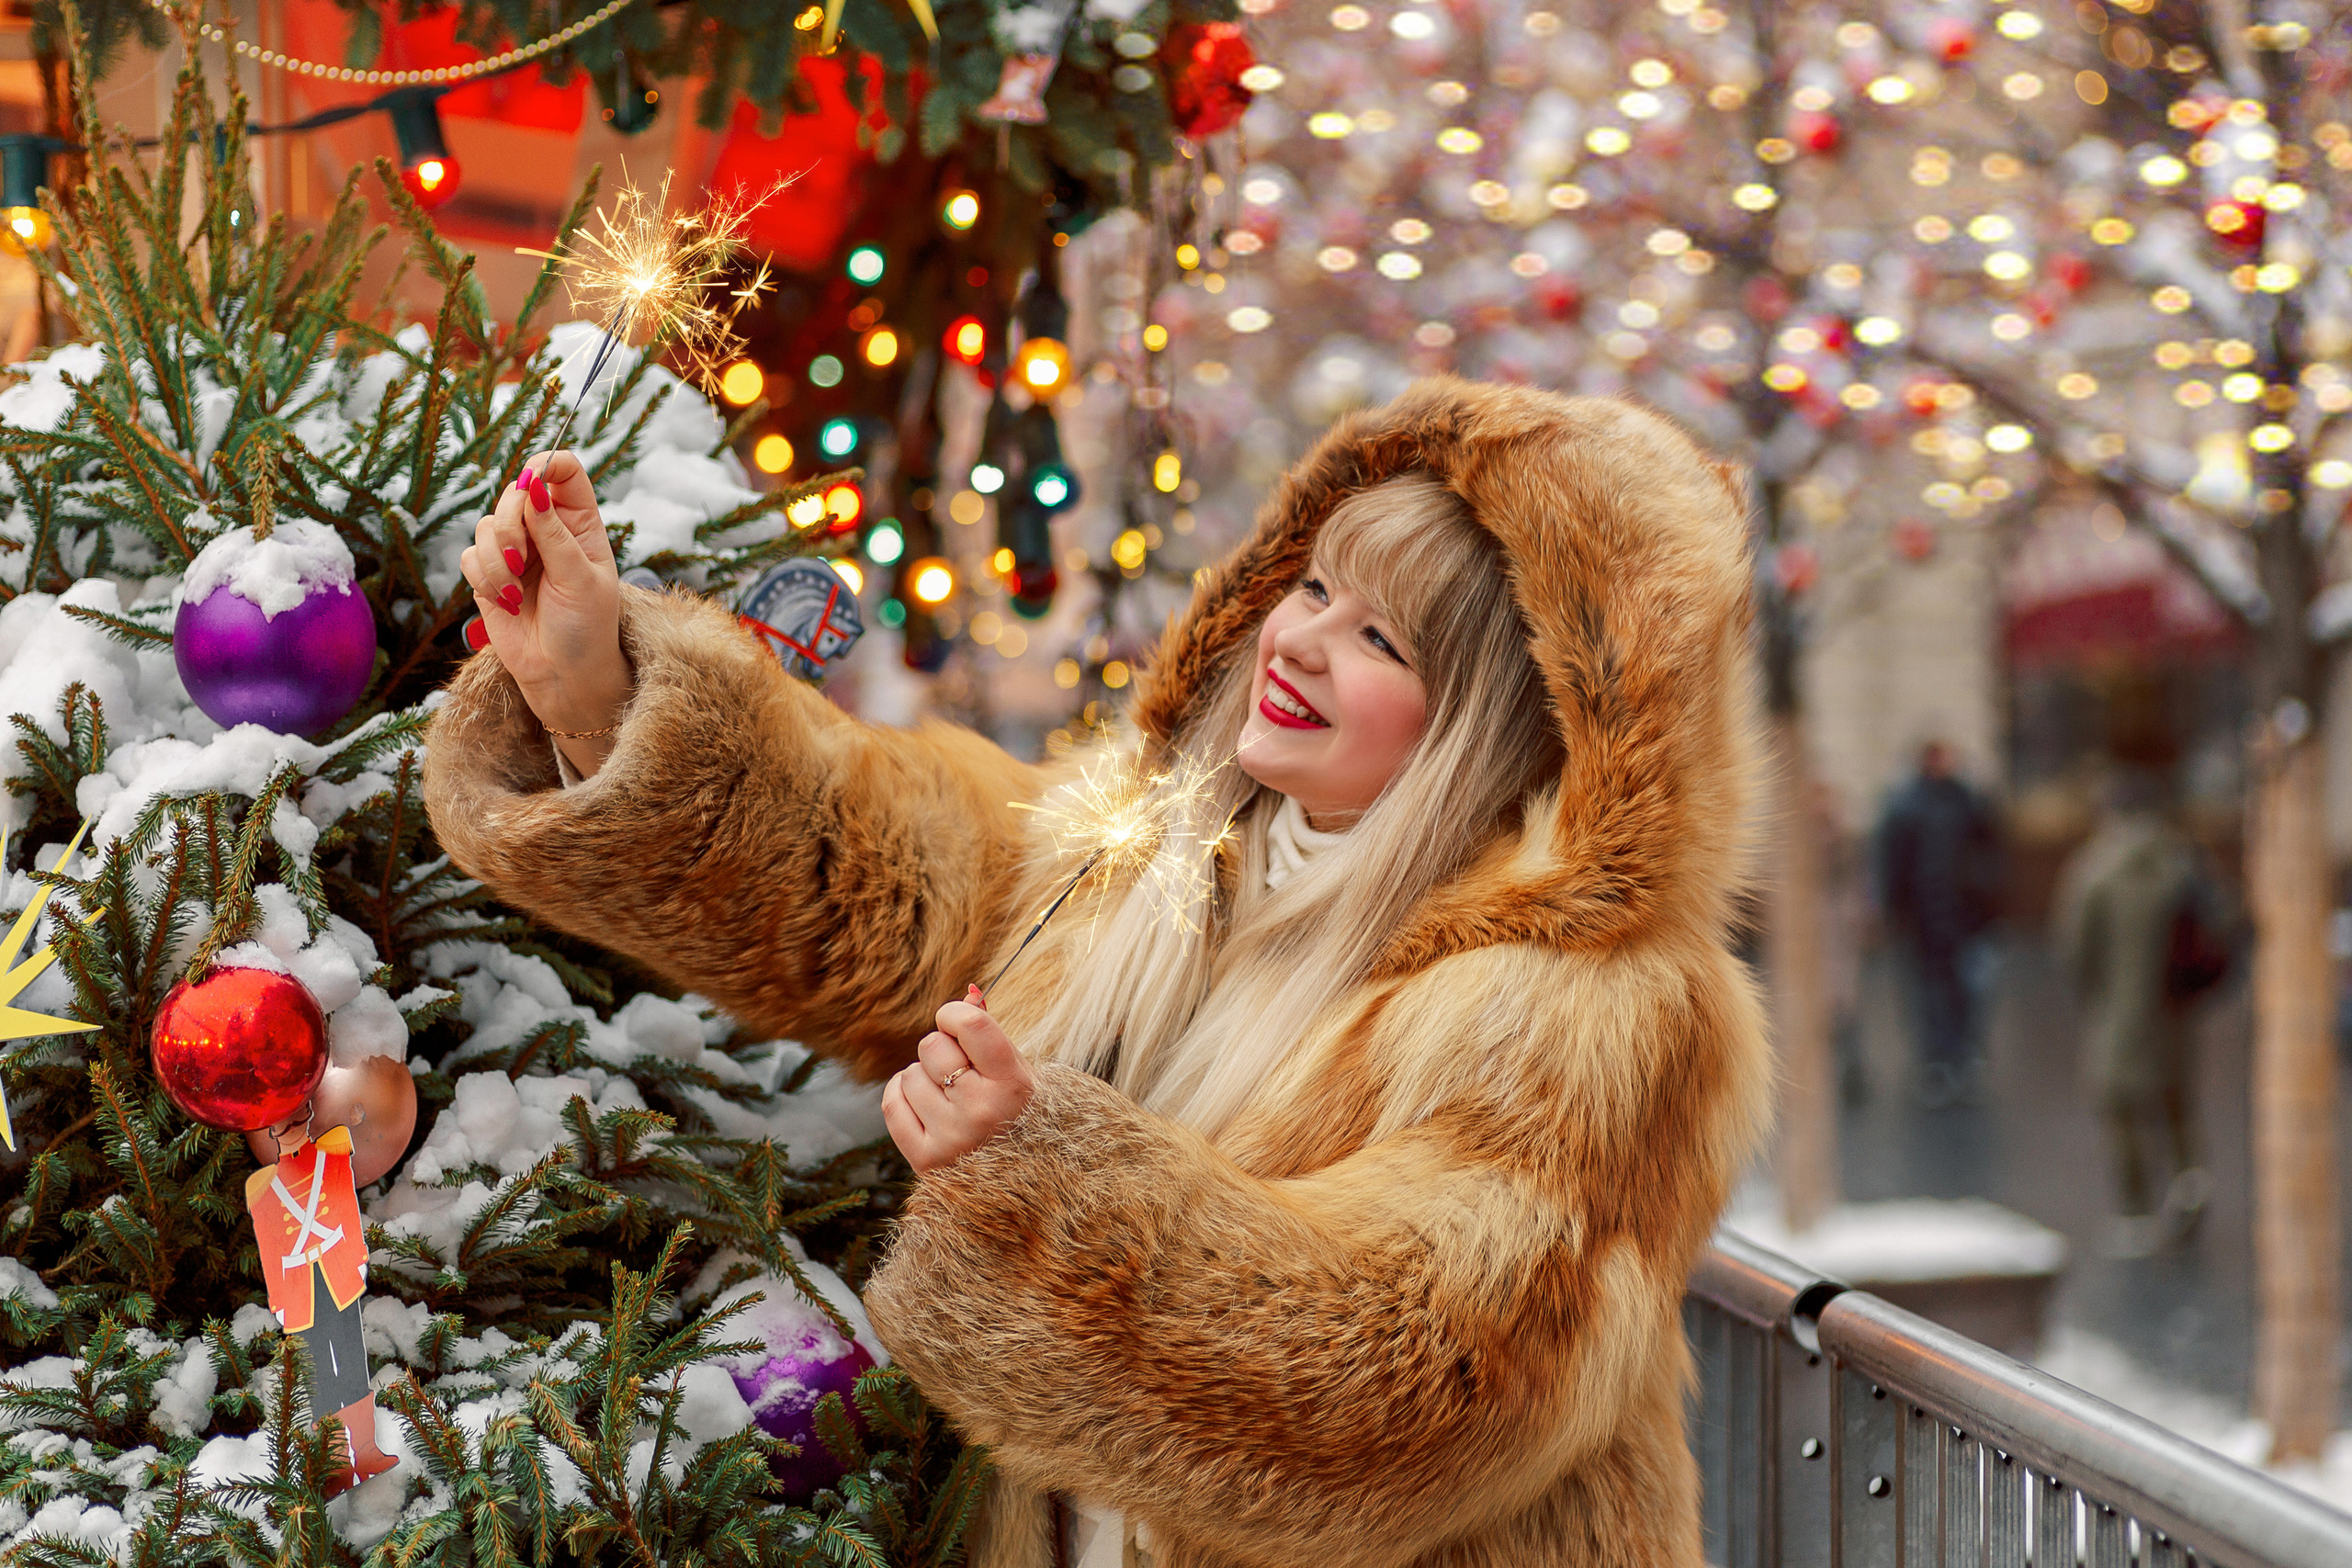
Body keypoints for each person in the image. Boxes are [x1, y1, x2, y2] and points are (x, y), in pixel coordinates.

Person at [422, 380, 1773, 1568]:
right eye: (1313, 588)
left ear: (1502, 725)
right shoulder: (1143, 844)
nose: (1299, 641)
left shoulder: (1595, 1003)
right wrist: (597, 691)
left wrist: (1041, 1179)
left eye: (1383, 641)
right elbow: (855, 866)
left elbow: (1426, 1372)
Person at [2052, 768, 2223, 1258]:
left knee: (2119, 1104)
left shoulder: (2095, 869)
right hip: (2174, 1011)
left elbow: (2074, 945)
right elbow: (2217, 923)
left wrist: (2096, 989)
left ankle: (2136, 1208)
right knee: (2176, 1098)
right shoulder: (2183, 861)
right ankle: (2189, 1179)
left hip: (2118, 1011)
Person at [1873, 739, 2003, 1108]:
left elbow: (1990, 853)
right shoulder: (1906, 806)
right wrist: (1895, 910)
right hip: (1925, 922)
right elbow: (1893, 863)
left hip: (1964, 919)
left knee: (1966, 990)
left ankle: (1961, 1056)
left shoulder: (1969, 801)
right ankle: (1938, 1061)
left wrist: (1986, 899)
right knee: (1929, 994)